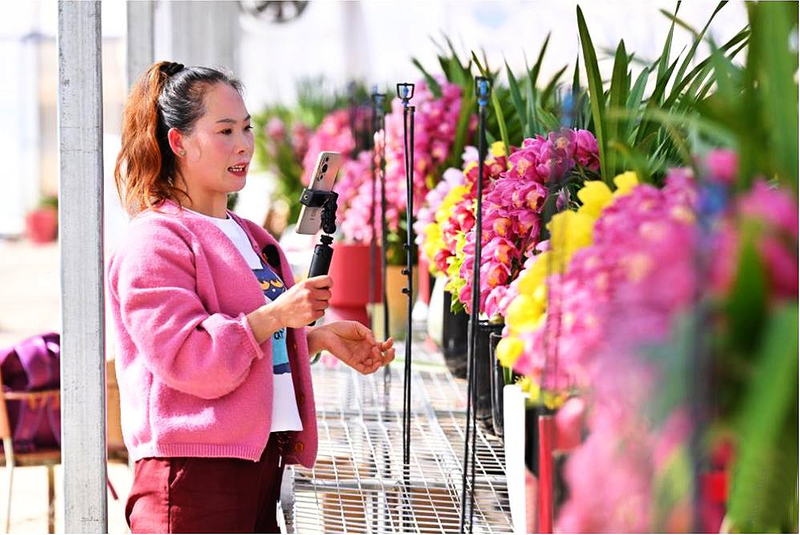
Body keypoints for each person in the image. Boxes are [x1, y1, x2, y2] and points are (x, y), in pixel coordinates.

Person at [107, 61, 395, 534]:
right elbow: (189, 358)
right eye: (224, 131)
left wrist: (315, 340)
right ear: (179, 142)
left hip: (257, 464)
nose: (243, 144)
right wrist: (276, 315)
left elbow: (251, 343)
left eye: (246, 128)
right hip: (193, 476)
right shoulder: (154, 241)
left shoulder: (248, 235)